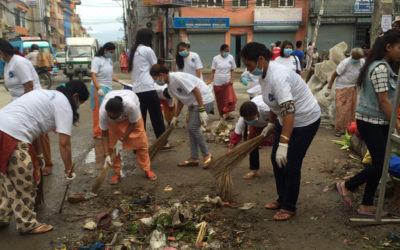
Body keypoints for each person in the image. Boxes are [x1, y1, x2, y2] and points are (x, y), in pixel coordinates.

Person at [241, 42, 321, 221]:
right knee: (276, 160)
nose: (248, 69)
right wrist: (271, 123)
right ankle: (282, 198)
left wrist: (284, 143)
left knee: (291, 164)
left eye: (249, 65)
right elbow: (272, 102)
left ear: (260, 59)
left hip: (305, 121)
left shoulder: (278, 76)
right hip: (284, 119)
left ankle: (289, 206)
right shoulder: (264, 74)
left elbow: (289, 111)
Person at [0, 81, 89, 234]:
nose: (78, 106)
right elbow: (64, 144)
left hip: (4, 128)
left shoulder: (46, 95)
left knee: (6, 179)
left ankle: (2, 215)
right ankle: (27, 224)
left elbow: (35, 129)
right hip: (12, 133)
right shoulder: (65, 105)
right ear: (75, 96)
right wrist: (69, 170)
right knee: (25, 181)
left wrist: (39, 155)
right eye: (80, 102)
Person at [336, 30, 400, 216]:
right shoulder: (380, 68)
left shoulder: (382, 66)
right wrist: (396, 123)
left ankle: (366, 203)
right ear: (388, 48)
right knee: (380, 164)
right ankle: (348, 186)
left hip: (378, 121)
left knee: (380, 163)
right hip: (372, 122)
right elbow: (384, 101)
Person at [0, 39, 55, 176]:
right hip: (17, 102)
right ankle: (34, 162)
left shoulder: (18, 62)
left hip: (31, 100)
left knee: (40, 134)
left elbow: (29, 85)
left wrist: (26, 106)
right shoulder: (7, 64)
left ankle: (47, 163)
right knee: (24, 135)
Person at [150, 64, 214, 168]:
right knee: (192, 128)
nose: (156, 81)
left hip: (204, 100)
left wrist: (202, 109)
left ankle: (207, 155)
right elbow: (181, 99)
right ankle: (194, 158)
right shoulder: (169, 86)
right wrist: (175, 116)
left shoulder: (177, 78)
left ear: (161, 74)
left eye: (156, 78)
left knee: (193, 128)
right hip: (194, 103)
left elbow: (196, 91)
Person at [100, 90, 157, 184]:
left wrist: (122, 139)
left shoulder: (130, 106)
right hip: (114, 124)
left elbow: (133, 123)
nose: (111, 116)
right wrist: (106, 154)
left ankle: (147, 169)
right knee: (112, 144)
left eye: (114, 116)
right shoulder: (103, 112)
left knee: (141, 143)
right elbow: (105, 134)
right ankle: (116, 173)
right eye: (110, 115)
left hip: (132, 120)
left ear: (121, 112)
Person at [128, 28, 171, 150]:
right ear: (148, 38)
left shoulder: (134, 50)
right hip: (148, 88)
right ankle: (162, 143)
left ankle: (138, 146)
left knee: (140, 119)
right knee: (156, 117)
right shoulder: (147, 50)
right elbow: (156, 67)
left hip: (136, 90)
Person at [228, 95, 274, 179]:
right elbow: (236, 134)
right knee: (252, 145)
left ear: (257, 113)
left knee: (278, 145)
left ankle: (280, 169)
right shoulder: (243, 118)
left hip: (272, 123)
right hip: (256, 127)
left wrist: (272, 127)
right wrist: (231, 146)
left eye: (251, 118)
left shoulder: (267, 110)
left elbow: (281, 117)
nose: (249, 121)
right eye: (247, 120)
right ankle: (254, 170)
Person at [326, 48, 365, 137]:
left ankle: (349, 128)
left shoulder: (362, 62)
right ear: (352, 56)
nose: (355, 60)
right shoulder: (345, 62)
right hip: (342, 87)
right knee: (341, 109)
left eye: (357, 58)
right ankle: (340, 129)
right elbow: (334, 74)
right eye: (354, 58)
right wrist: (329, 87)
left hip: (353, 87)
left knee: (352, 109)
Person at [91, 42, 121, 140]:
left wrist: (117, 79)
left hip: (108, 87)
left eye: (112, 52)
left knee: (108, 109)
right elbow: (93, 75)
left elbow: (108, 74)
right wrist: (98, 88)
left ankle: (106, 129)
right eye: (110, 52)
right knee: (98, 110)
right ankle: (97, 132)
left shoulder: (108, 60)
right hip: (99, 87)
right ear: (105, 50)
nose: (111, 54)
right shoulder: (97, 60)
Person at [207, 44, 237, 120]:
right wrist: (210, 81)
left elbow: (232, 70)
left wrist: (232, 79)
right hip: (218, 83)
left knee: (228, 99)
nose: (227, 52)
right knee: (220, 101)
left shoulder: (231, 57)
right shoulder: (216, 58)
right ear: (221, 51)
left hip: (227, 82)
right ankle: (222, 115)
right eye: (225, 51)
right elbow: (213, 71)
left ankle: (227, 115)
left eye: (228, 51)